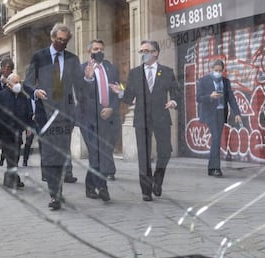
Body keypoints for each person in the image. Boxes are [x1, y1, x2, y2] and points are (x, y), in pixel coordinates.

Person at [24, 23, 85, 210]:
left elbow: (80, 88)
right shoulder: (39, 57)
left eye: (65, 41)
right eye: (59, 39)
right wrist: (36, 92)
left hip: (65, 115)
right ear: (52, 38)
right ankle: (54, 194)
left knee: (61, 153)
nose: (62, 43)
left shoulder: (73, 59)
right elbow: (27, 83)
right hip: (45, 115)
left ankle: (57, 189)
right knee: (50, 154)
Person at [122, 40, 179, 202]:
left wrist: (173, 102)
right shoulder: (134, 73)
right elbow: (128, 98)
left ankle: (157, 180)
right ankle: (146, 190)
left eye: (146, 50)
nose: (143, 54)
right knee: (144, 155)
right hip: (142, 119)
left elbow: (176, 94)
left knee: (165, 151)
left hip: (161, 117)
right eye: (141, 51)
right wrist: (120, 93)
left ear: (155, 53)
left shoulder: (167, 72)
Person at [81, 39, 122, 201]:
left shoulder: (111, 68)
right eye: (96, 49)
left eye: (102, 49)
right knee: (95, 154)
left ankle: (90, 187)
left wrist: (111, 107)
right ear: (89, 51)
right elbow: (82, 95)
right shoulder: (82, 69)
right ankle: (102, 187)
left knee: (104, 154)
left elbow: (118, 90)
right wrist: (88, 79)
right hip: (90, 119)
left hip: (109, 118)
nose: (99, 51)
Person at [196, 59, 242, 177]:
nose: (218, 72)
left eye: (220, 71)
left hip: (221, 113)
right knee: (216, 138)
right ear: (211, 70)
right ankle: (215, 168)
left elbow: (231, 98)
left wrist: (237, 113)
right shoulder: (203, 81)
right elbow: (199, 98)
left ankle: (212, 168)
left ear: (223, 71)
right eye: (216, 70)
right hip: (210, 113)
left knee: (216, 139)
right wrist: (210, 96)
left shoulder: (226, 82)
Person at [0, 73, 34, 188]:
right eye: (15, 82)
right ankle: (10, 179)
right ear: (8, 84)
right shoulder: (0, 96)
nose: (18, 85)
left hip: (18, 132)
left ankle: (13, 177)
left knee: (16, 156)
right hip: (5, 132)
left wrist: (29, 127)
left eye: (19, 82)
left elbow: (29, 114)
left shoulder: (24, 97)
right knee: (10, 156)